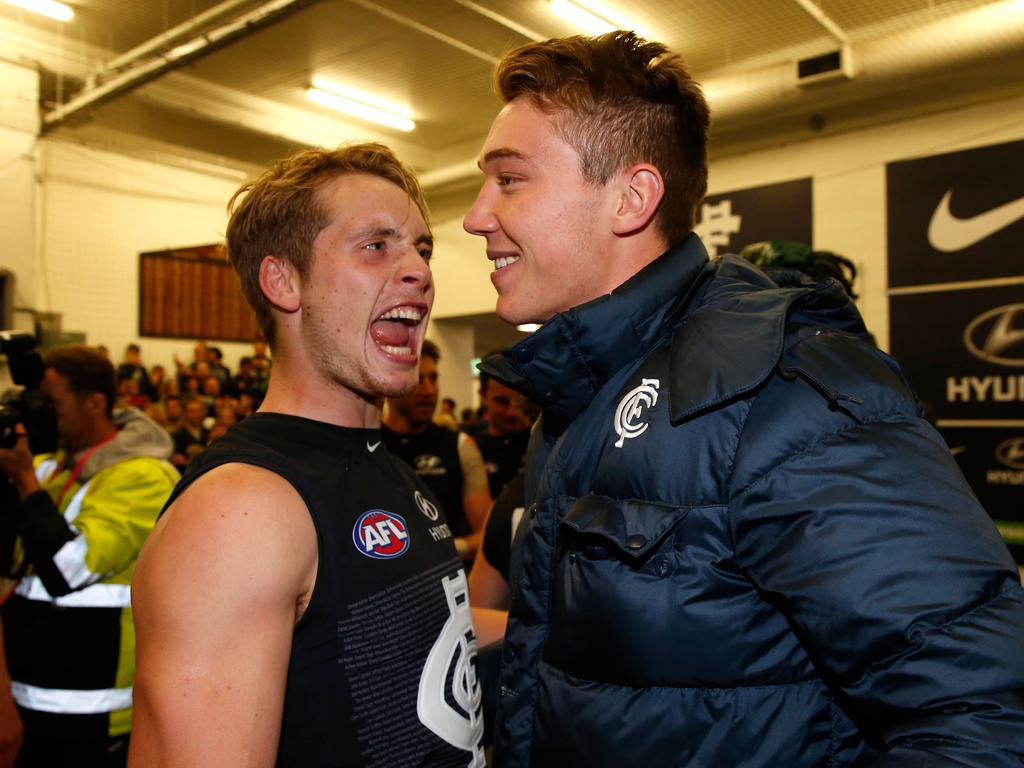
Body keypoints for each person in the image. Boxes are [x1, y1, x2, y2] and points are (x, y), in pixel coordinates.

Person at [462, 31, 1024, 767]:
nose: (475, 215)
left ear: (632, 198)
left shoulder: (786, 388)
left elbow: (986, 719)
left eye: (509, 180)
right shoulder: (583, 398)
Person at [129, 143, 489, 767]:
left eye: (421, 248)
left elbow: (411, 629)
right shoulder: (241, 509)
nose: (419, 271)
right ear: (283, 281)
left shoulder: (384, 464)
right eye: (376, 245)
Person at [0, 344, 178, 767]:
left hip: (90, 706)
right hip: (29, 693)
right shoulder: (50, 465)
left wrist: (24, 480)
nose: (45, 413)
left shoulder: (142, 474)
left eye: (53, 403)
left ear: (94, 403)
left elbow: (68, 570)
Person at [383, 341, 492, 562]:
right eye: (418, 379)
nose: (428, 390)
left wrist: (453, 547)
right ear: (389, 382)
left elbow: (488, 532)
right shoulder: (368, 445)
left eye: (433, 378)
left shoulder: (460, 446)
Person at [468, 366, 533, 499]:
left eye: (520, 401)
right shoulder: (471, 449)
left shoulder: (545, 442)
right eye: (502, 402)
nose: (513, 412)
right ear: (483, 396)